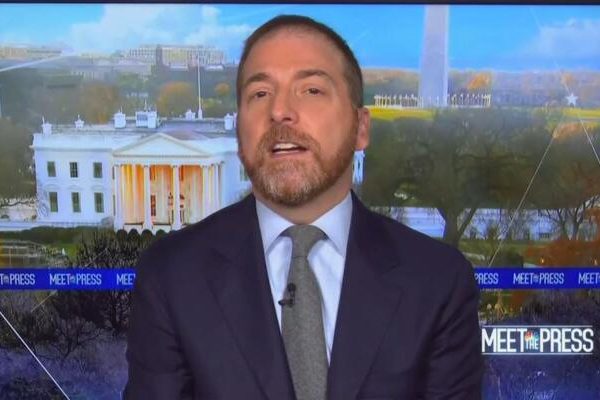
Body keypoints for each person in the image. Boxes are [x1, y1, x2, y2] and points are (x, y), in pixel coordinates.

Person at [124, 14, 483, 400]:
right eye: (260, 94)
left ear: (361, 128)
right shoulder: (173, 277)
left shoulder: (437, 282)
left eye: (311, 90)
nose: (279, 110)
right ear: (239, 132)